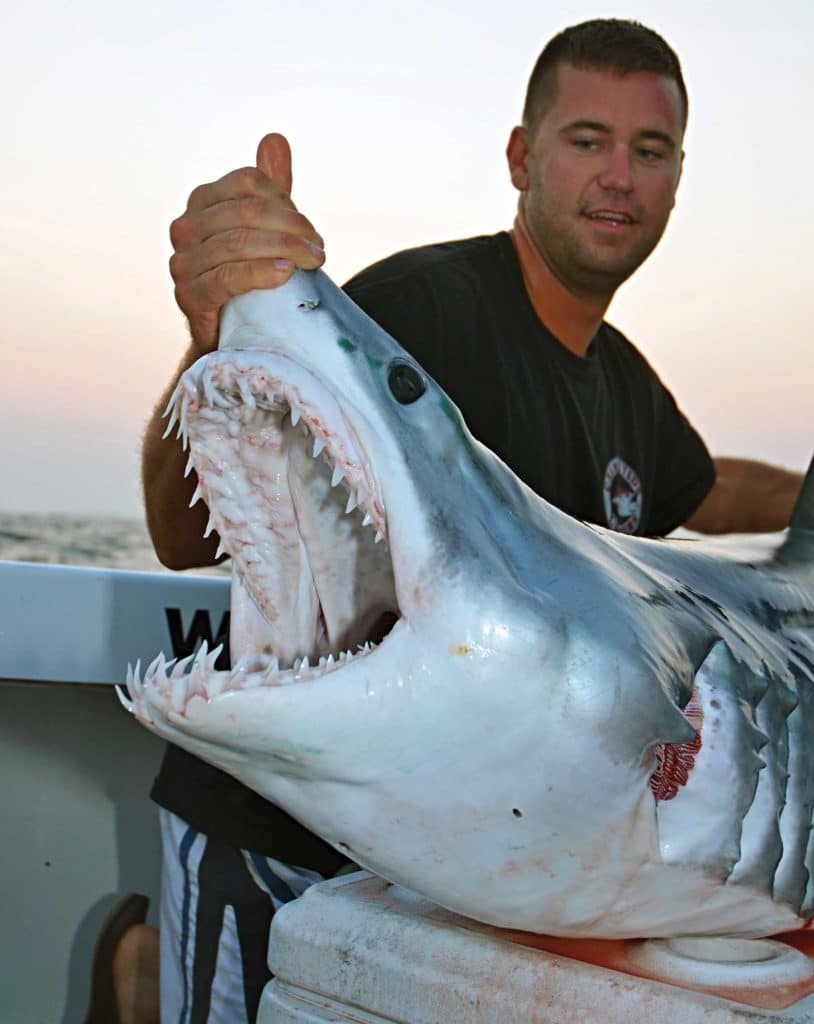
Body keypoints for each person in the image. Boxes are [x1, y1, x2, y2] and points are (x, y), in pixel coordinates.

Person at [104, 17, 804, 1024]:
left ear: (678, 179)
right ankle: (137, 977)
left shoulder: (623, 383)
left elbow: (710, 492)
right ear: (521, 157)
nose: (617, 176)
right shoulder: (421, 312)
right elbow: (181, 540)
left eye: (647, 152)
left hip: (455, 876)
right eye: (584, 140)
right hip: (271, 833)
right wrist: (214, 335)